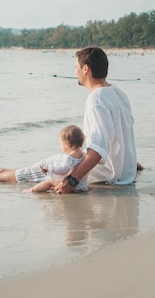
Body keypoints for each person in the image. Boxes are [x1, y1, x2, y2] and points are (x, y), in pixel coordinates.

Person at [55, 47, 139, 194]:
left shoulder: (96, 99)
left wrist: (72, 180)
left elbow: (98, 149)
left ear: (85, 69)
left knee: (42, 170)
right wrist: (130, 163)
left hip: (108, 177)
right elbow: (122, 135)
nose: (76, 72)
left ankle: (0, 174)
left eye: (77, 67)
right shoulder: (119, 93)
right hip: (125, 174)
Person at [0, 125, 89, 193]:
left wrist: (50, 168)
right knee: (31, 170)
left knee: (29, 173)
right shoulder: (83, 154)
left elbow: (64, 169)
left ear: (67, 145)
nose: (60, 146)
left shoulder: (68, 159)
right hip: (75, 184)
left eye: (60, 144)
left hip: (62, 181)